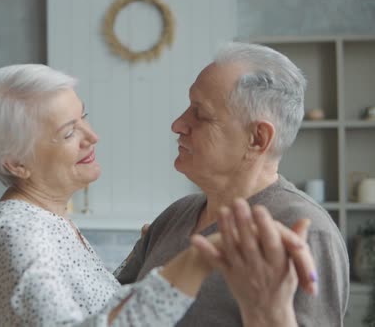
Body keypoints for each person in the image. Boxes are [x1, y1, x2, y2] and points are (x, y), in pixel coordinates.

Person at [0, 64, 317, 326]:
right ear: (17, 163)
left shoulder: (51, 222)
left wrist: (145, 256)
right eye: (69, 132)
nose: (92, 136)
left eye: (84, 117)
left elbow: (94, 309)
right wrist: (196, 260)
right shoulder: (18, 234)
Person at [115, 42, 349, 326]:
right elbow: (110, 307)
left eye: (200, 114)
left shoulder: (306, 232)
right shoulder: (175, 216)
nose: (178, 124)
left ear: (257, 139)